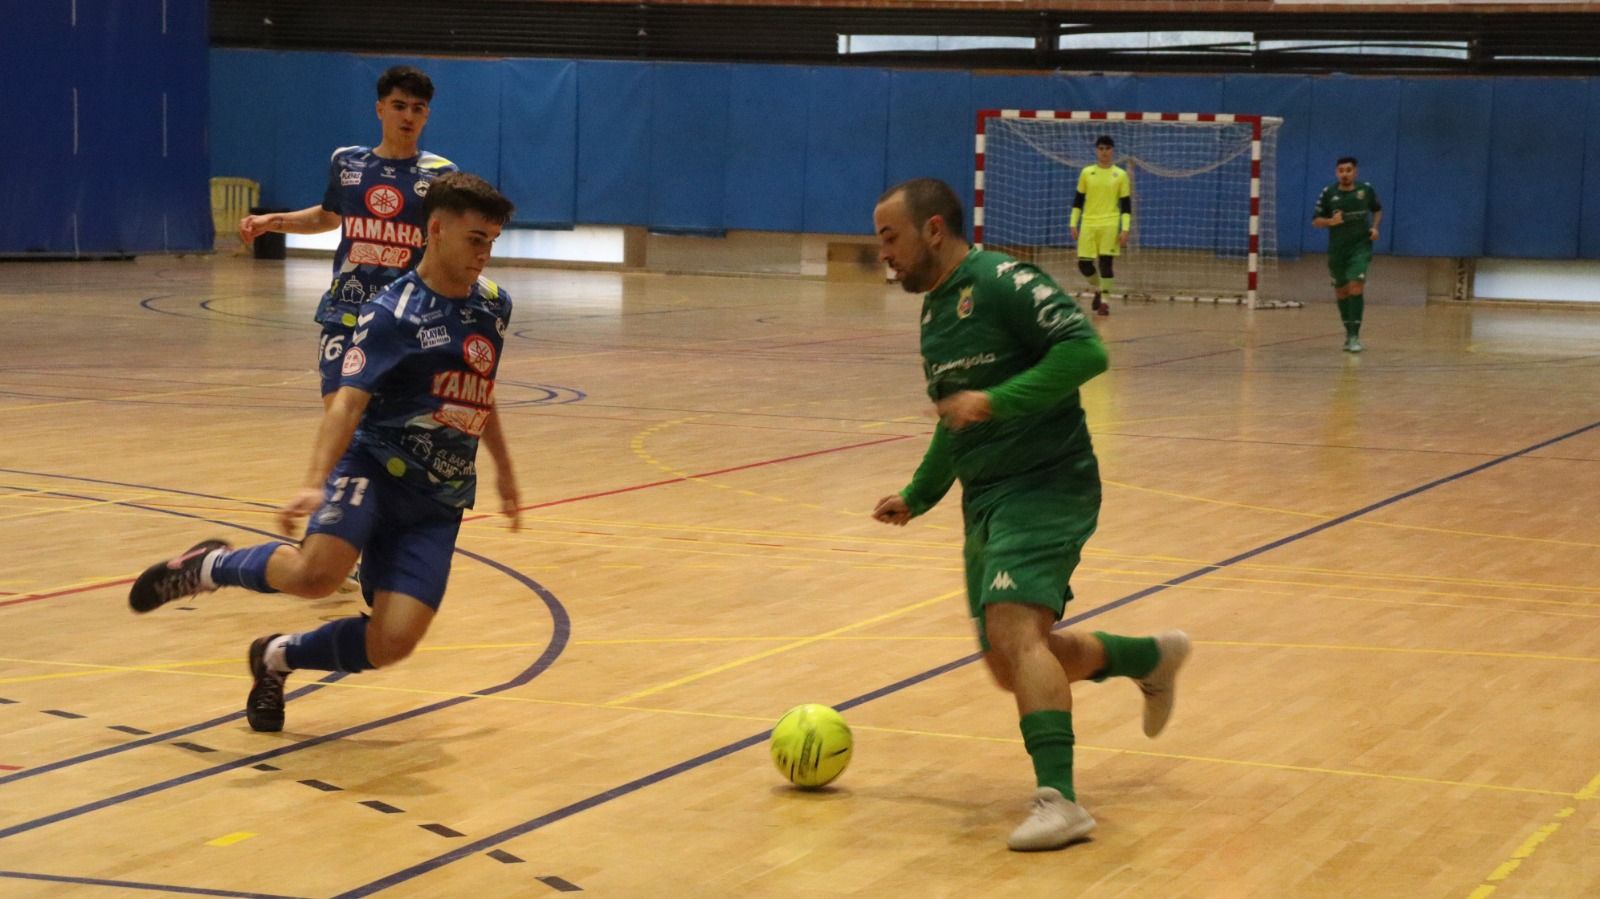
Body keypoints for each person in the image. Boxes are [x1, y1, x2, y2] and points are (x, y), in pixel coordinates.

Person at [129, 173, 520, 734]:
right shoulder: (391, 314)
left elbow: (480, 390)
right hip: (374, 470)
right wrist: (314, 481)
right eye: (475, 239)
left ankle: (276, 657)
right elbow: (347, 404)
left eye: (492, 242)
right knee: (316, 575)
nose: (484, 254)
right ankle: (208, 567)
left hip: (439, 497)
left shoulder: (494, 306)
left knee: (392, 642)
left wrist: (504, 469)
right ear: (436, 230)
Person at [871, 178, 1189, 852]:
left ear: (933, 230)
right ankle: (1149, 657)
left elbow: (1086, 351)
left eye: (890, 237)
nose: (884, 254)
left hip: (1048, 484)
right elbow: (955, 419)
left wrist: (996, 400)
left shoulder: (1003, 281)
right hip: (986, 500)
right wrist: (918, 494)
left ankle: (1060, 801)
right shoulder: (934, 314)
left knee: (1016, 631)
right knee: (1008, 662)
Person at [238, 65, 458, 405]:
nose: (408, 116)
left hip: (407, 314)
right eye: (399, 106)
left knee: (392, 418)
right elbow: (327, 217)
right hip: (347, 309)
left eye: (418, 108)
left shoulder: (441, 174)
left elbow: (450, 242)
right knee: (339, 411)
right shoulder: (347, 162)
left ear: (427, 115)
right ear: (380, 109)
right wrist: (273, 221)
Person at [1311, 157, 1383, 353]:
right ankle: (1348, 333)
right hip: (1338, 250)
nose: (1345, 174)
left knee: (1355, 285)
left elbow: (1377, 210)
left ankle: (1354, 336)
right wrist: (1330, 222)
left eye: (1348, 170)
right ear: (1336, 173)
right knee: (1341, 291)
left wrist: (1375, 228)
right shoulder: (1328, 192)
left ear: (1355, 172)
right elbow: (1315, 221)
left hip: (1360, 247)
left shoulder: (1365, 190)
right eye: (1341, 170)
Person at [1070, 135, 1132, 317]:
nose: (1104, 152)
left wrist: (1125, 228)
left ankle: (1105, 302)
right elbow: (1078, 201)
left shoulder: (1120, 175)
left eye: (1107, 148)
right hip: (1089, 223)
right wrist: (1073, 223)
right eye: (1101, 148)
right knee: (1084, 264)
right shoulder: (1087, 173)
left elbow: (1126, 205)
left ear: (1113, 151)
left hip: (1110, 223)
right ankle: (1099, 288)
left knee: (1106, 263)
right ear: (1096, 151)